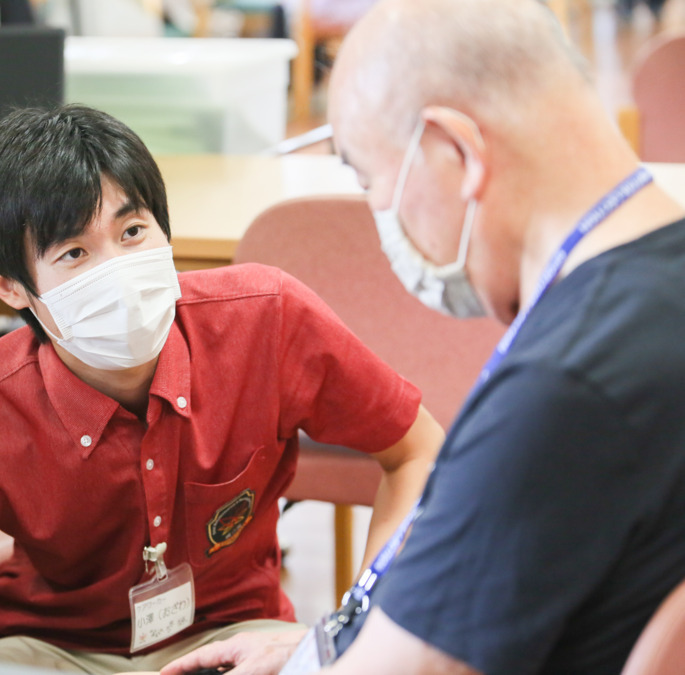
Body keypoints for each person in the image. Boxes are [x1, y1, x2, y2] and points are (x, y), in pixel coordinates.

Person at [161, 0, 685, 673]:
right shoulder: (642, 312)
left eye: (370, 178)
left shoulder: (565, 389)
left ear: (454, 152)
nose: (381, 214)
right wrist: (322, 648)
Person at [0, 104, 443, 671]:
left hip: (236, 631)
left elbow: (417, 449)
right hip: (48, 646)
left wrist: (357, 629)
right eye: (76, 252)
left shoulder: (268, 318)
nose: (119, 272)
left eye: (133, 231)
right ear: (8, 286)